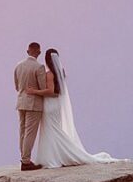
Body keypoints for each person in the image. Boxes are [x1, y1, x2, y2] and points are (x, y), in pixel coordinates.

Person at [28, 48, 120, 168]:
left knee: (51, 130)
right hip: (56, 105)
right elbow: (58, 92)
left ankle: (56, 156)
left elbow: (51, 91)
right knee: (54, 129)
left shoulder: (49, 74)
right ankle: (56, 155)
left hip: (50, 104)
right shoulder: (61, 72)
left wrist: (34, 91)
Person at [13, 42, 50, 171]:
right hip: (33, 104)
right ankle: (26, 161)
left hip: (21, 102)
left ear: (27, 51)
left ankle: (23, 158)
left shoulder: (18, 66)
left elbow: (17, 86)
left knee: (22, 132)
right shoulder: (39, 67)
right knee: (30, 132)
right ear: (39, 52)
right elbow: (43, 87)